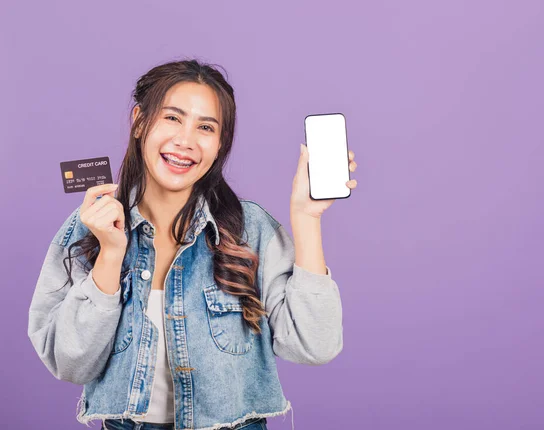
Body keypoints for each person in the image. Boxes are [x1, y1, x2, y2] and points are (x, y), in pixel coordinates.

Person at [27, 59, 358, 430]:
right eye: (172, 118)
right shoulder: (87, 227)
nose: (185, 141)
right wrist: (111, 253)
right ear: (139, 121)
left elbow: (314, 345)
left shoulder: (251, 230)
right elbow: (70, 363)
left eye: (205, 127)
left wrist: (307, 218)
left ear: (219, 145)